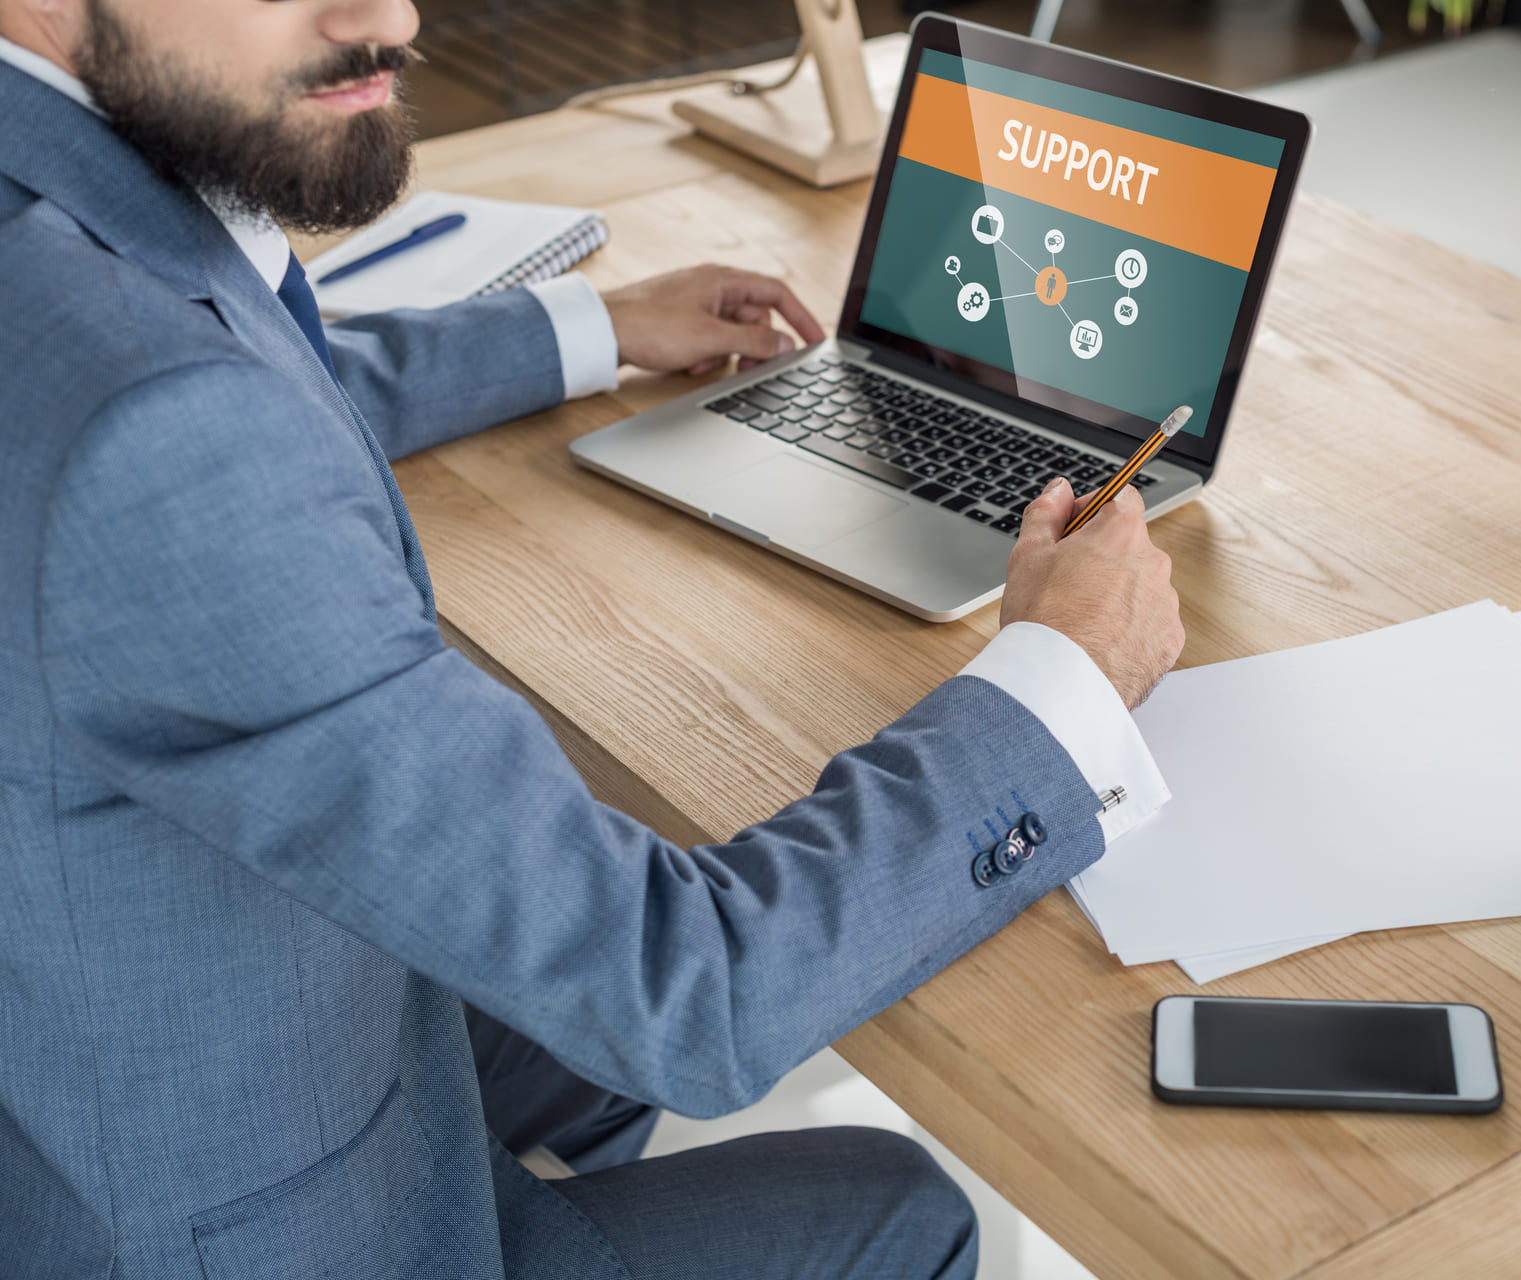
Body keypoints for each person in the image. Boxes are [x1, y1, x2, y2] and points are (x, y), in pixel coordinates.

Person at [0, 0, 1185, 1274]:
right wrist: (1063, 679)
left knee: (585, 1046)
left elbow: (229, 364)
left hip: (131, 1027)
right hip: (247, 1221)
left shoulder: (65, 260)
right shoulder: (162, 432)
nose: (388, 17)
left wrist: (590, 326)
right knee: (896, 1201)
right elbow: (685, 994)